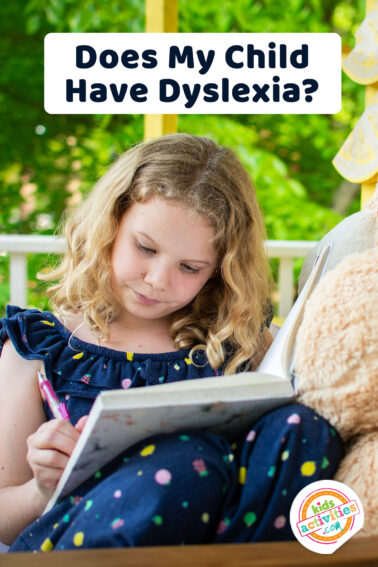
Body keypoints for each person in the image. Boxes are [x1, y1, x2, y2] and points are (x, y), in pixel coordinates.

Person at [0, 134, 344, 552]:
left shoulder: (237, 343)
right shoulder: (41, 347)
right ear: (109, 226)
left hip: (214, 545)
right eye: (145, 248)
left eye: (190, 267)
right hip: (70, 548)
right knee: (186, 461)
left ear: (218, 271)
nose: (158, 280)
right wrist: (42, 489)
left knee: (302, 429)